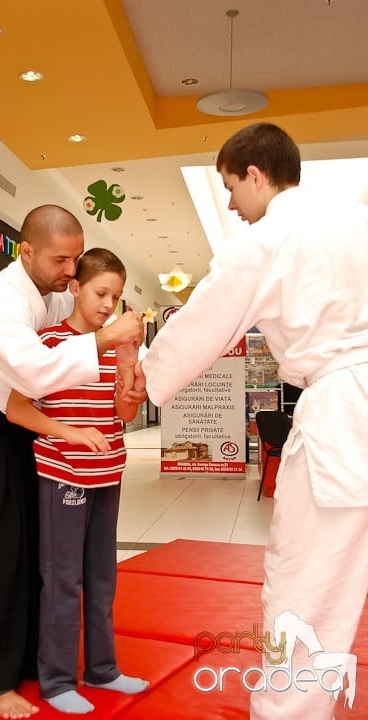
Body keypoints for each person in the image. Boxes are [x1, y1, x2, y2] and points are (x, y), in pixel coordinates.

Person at [139, 123, 368, 719]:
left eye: (230, 188)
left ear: (256, 175)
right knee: (344, 578)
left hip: (342, 410)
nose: (232, 207)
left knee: (307, 581)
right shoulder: (355, 218)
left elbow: (203, 323)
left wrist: (143, 374)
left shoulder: (273, 238)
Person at [0, 205, 145, 720]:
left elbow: (88, 301)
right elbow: (37, 373)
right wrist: (106, 338)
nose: (71, 270)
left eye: (76, 258)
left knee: (26, 548)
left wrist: (125, 346)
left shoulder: (52, 289)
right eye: (62, 259)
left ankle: (23, 659)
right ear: (26, 252)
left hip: (21, 425)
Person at [6, 247, 149, 715]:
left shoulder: (115, 350)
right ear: (75, 288)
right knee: (63, 579)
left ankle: (103, 670)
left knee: (102, 578)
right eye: (101, 292)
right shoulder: (48, 342)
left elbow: (123, 413)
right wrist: (70, 435)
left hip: (108, 473)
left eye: (117, 296)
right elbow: (17, 406)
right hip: (62, 473)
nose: (109, 303)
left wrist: (130, 380)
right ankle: (58, 680)